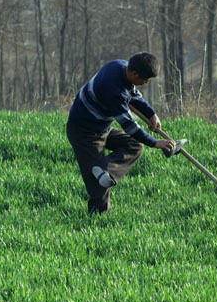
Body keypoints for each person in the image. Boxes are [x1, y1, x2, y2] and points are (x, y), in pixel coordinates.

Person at [66, 52, 185, 214]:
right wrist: (155, 142)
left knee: (134, 146)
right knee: (99, 188)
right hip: (84, 132)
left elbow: (134, 95)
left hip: (101, 128)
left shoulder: (120, 66)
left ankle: (105, 170)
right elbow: (129, 125)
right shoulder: (114, 91)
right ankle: (97, 221)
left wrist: (151, 114)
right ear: (134, 73)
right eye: (145, 79)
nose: (146, 82)